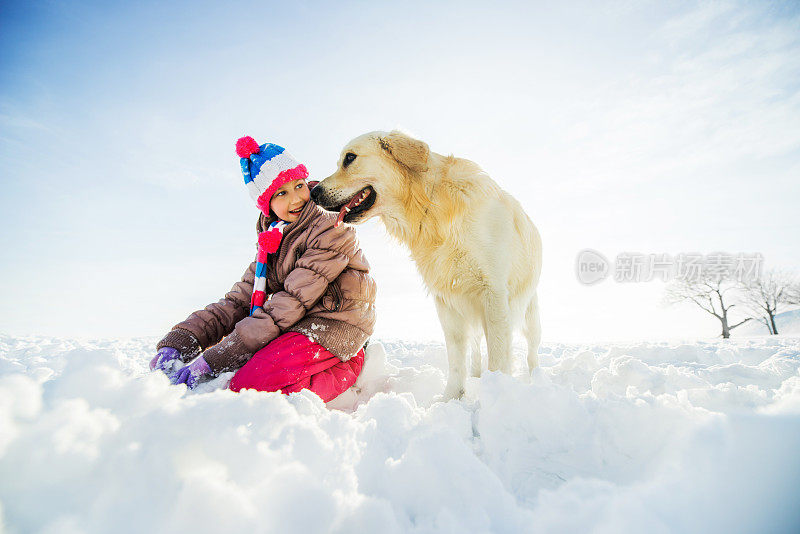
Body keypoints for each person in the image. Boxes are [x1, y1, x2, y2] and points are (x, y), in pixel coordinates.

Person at [150, 136, 376, 403]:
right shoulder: (272, 240)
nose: (297, 198)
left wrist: (216, 359)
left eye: (299, 185)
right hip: (298, 325)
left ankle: (352, 365)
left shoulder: (331, 227)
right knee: (244, 378)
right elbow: (236, 302)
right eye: (281, 193)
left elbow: (291, 301)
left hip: (336, 327)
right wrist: (181, 340)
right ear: (266, 204)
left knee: (250, 387)